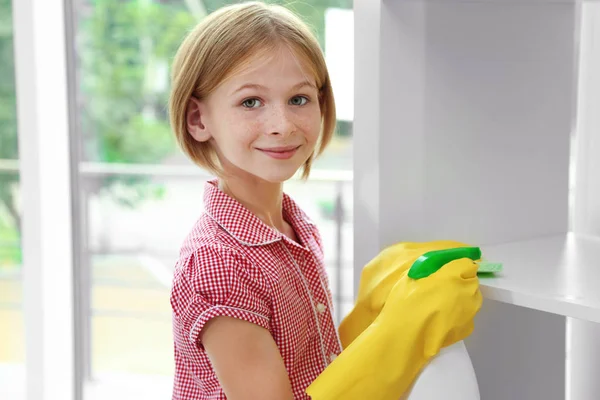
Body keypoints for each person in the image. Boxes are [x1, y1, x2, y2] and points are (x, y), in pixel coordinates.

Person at [168, 2, 481, 399]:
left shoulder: (290, 226)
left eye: (298, 99)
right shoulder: (218, 265)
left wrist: (376, 304)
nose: (282, 125)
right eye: (251, 102)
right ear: (198, 119)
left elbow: (312, 367)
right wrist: (403, 330)